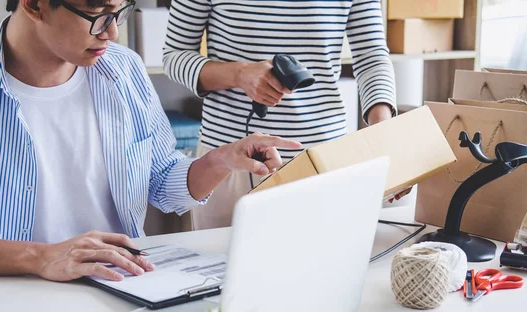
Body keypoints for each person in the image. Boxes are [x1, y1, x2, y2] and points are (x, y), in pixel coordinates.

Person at [0, 0, 301, 282]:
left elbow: (161, 181)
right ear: (34, 5)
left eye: (121, 12)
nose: (112, 32)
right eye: (98, 13)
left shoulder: (124, 70)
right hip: (8, 295)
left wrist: (222, 160)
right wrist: (40, 257)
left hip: (122, 285)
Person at [163, 0, 409, 231]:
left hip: (324, 161)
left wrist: (382, 135)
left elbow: (372, 56)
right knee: (219, 273)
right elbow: (174, 56)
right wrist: (239, 74)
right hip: (230, 162)